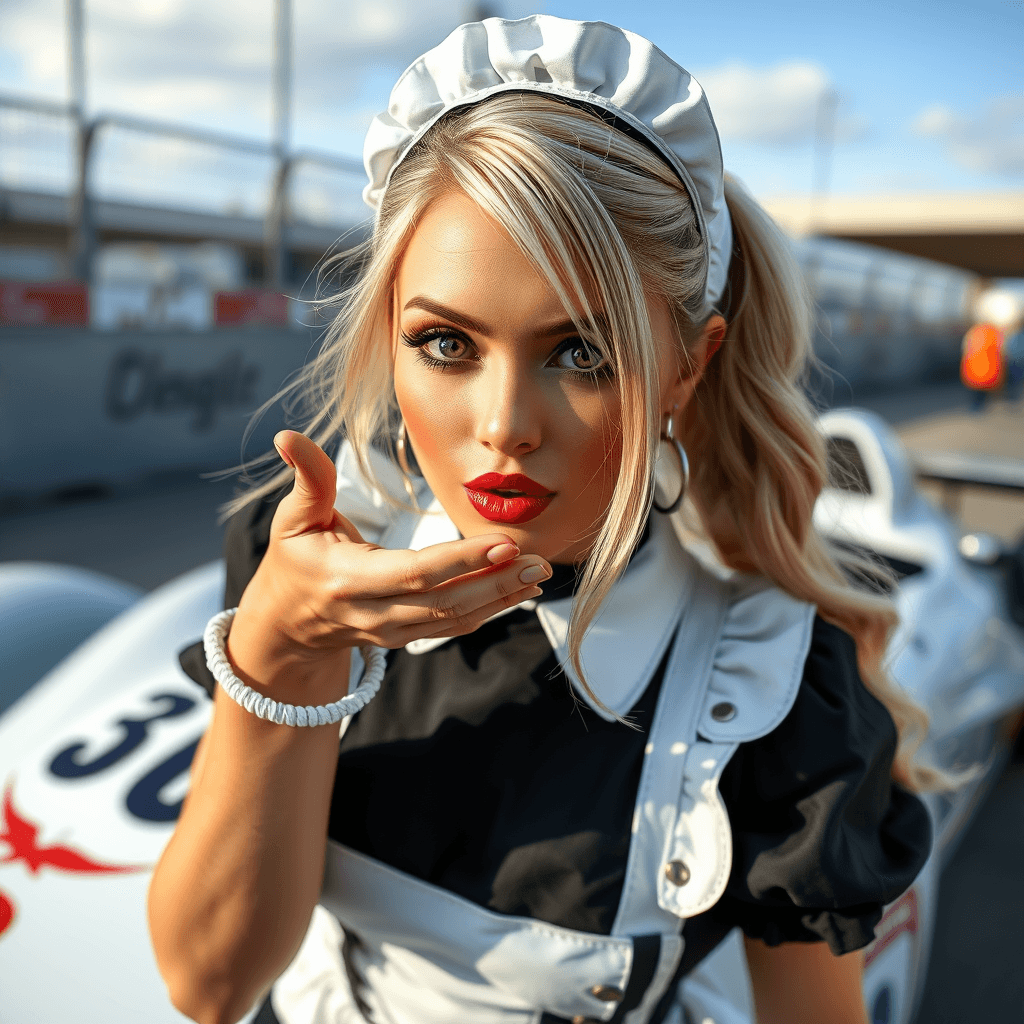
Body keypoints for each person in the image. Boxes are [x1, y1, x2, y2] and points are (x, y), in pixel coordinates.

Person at [148, 16, 935, 1024]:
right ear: (387, 337)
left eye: (582, 354)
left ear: (687, 366)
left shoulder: (775, 687)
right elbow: (207, 984)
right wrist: (283, 647)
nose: (504, 427)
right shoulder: (305, 553)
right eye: (444, 343)